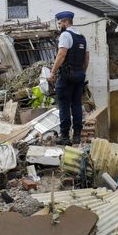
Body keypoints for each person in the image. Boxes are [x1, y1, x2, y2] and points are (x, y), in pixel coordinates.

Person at [48, 11, 89, 145]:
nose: (59, 26)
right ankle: (77, 136)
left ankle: (65, 137)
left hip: (66, 76)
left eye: (60, 23)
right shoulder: (82, 37)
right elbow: (86, 58)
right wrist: (82, 71)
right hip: (79, 75)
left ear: (66, 23)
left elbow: (61, 55)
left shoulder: (66, 35)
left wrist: (52, 72)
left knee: (64, 105)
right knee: (76, 104)